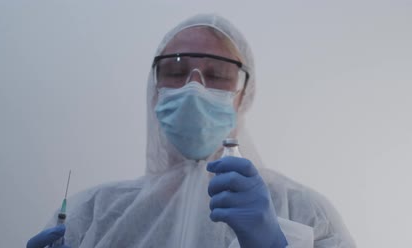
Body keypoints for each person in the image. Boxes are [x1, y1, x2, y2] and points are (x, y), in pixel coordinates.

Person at [27, 14, 356, 248]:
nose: (194, 89)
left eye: (216, 75)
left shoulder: (305, 214)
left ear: (244, 94)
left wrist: (273, 244)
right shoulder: (93, 212)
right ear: (154, 88)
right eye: (176, 70)